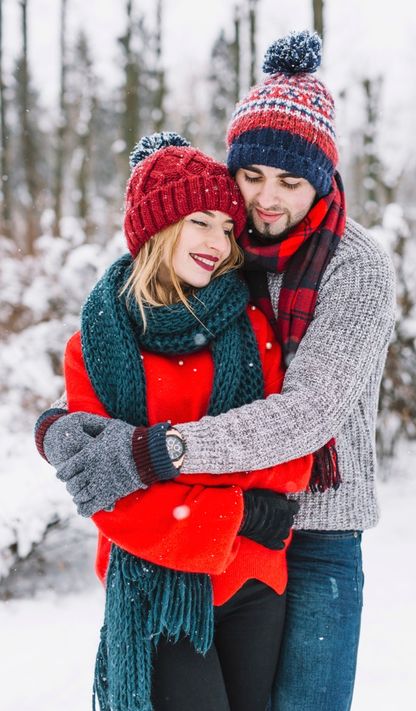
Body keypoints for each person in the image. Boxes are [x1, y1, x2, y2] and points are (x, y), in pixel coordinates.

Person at [35, 31, 396, 711]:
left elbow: (306, 414)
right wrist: (60, 427)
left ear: (321, 179)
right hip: (200, 552)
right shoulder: (229, 266)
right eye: (251, 177)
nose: (264, 200)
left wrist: (157, 453)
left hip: (314, 540)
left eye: (290, 182)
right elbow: (123, 396)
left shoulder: (353, 267)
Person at [36, 132, 312, 711]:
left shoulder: (252, 329)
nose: (217, 242)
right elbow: (107, 492)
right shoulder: (95, 349)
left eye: (228, 229)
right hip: (154, 585)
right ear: (158, 227)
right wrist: (231, 513)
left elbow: (284, 448)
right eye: (201, 222)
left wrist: (165, 476)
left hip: (251, 576)